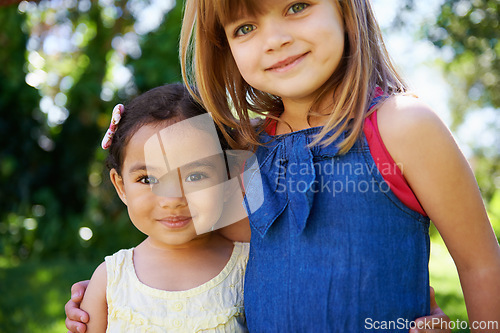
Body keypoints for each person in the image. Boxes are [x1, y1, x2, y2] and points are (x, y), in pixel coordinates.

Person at [65, 0, 500, 332]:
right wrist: (110, 295)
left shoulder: (402, 127)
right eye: (246, 27)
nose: (274, 40)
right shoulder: (248, 153)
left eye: (297, 6)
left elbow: (482, 265)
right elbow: (187, 236)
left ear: (346, 9)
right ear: (226, 48)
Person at [77, 83, 251, 332]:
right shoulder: (110, 280)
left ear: (228, 180)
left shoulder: (248, 268)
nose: (172, 199)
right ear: (121, 186)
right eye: (148, 179)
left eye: (195, 176)